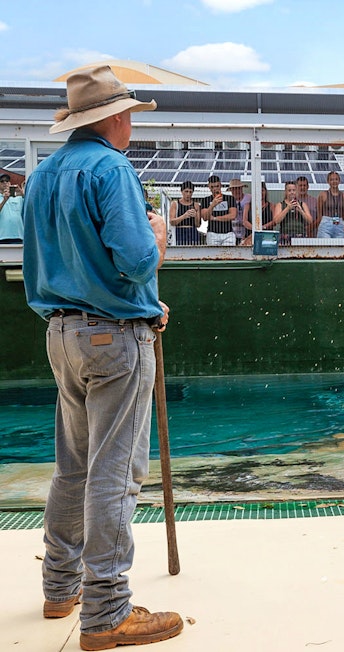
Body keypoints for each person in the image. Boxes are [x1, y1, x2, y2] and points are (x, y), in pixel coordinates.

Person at [20, 65, 183, 649]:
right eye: (131, 112)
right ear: (116, 116)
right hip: (113, 339)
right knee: (116, 472)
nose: (132, 121)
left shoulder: (41, 176)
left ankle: (59, 588)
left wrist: (141, 304)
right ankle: (107, 611)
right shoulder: (111, 168)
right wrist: (158, 237)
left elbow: (55, 265)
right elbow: (136, 260)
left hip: (61, 333)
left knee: (74, 466)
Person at [200, 175, 237, 246]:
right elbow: (205, 217)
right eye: (212, 187)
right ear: (209, 187)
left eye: (217, 186)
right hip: (212, 233)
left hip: (228, 233)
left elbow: (233, 215)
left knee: (229, 255)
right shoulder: (205, 200)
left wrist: (214, 218)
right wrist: (212, 205)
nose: (215, 189)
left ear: (220, 185)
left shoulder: (230, 198)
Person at [273, 180, 313, 244]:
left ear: (296, 191)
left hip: (300, 236)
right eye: (289, 190)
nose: (292, 192)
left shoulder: (302, 204)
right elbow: (276, 221)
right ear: (285, 192)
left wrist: (301, 211)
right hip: (285, 236)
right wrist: (287, 208)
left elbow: (310, 220)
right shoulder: (280, 204)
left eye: (294, 190)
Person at [316, 171, 344, 239]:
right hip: (326, 223)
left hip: (339, 223)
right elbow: (319, 212)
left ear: (339, 181)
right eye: (331, 180)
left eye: (336, 179)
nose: (334, 181)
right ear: (328, 181)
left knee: (338, 247)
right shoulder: (323, 195)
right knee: (325, 246)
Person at [241, 182, 273, 247]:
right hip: (250, 236)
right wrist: (256, 230)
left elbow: (274, 221)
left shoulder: (271, 206)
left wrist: (262, 228)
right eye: (258, 191)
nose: (260, 193)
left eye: (262, 190)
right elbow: (245, 221)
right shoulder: (248, 205)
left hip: (266, 237)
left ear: (265, 192)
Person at [168, 180, 201, 246]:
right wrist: (184, 216)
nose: (188, 194)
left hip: (192, 232)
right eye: (186, 191)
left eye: (190, 192)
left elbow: (198, 224)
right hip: (179, 232)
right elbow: (171, 221)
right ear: (182, 192)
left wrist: (196, 216)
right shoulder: (175, 204)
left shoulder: (196, 205)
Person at [0, 173, 25, 243]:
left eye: (7, 181)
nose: (5, 183)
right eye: (2, 181)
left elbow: (31, 206)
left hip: (18, 236)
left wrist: (23, 194)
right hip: (2, 237)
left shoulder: (18, 198)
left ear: (10, 183)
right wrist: (4, 200)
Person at [227, 178, 250, 244]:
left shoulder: (249, 198)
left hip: (247, 231)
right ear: (231, 190)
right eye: (234, 189)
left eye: (239, 188)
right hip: (232, 233)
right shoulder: (228, 200)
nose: (237, 191)